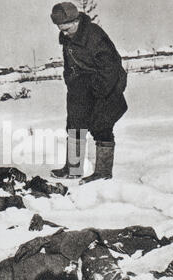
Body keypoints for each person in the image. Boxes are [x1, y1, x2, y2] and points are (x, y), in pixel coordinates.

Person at [49, 2, 128, 184]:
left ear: (76, 20)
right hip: (80, 86)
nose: (64, 33)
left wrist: (98, 91)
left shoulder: (94, 35)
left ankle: (103, 172)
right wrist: (71, 81)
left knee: (101, 126)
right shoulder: (68, 37)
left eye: (67, 28)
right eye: (61, 30)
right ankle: (73, 168)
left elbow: (111, 66)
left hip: (105, 84)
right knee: (75, 125)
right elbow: (70, 65)